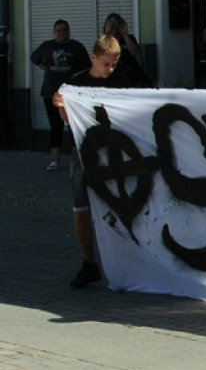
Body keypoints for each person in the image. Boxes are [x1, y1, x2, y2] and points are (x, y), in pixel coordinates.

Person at [52, 34, 151, 288]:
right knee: (81, 207)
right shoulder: (77, 82)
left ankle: (130, 260)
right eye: (106, 64)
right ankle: (89, 262)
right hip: (84, 152)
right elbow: (67, 120)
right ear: (93, 58)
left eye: (114, 64)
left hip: (119, 152)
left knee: (125, 203)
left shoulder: (123, 79)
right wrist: (61, 105)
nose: (110, 69)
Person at [30, 20, 90, 171]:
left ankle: (79, 159)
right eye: (59, 30)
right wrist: (45, 67)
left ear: (69, 31)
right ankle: (55, 160)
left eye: (64, 30)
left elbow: (87, 67)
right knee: (55, 126)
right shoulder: (47, 46)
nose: (61, 33)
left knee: (73, 126)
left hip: (71, 93)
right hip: (51, 91)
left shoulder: (77, 47)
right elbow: (34, 58)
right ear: (54, 32)